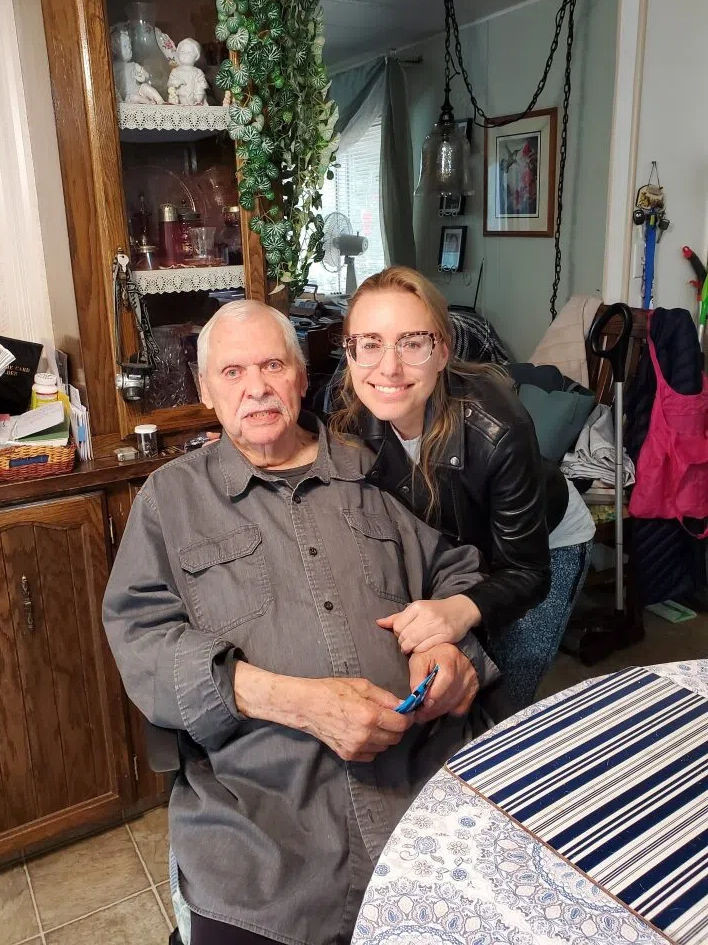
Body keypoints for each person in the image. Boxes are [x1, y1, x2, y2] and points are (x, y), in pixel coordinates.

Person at [103, 300, 498, 945]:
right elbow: (140, 640)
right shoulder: (170, 501)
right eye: (232, 372)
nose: (256, 387)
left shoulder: (376, 470)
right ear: (205, 390)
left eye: (272, 365)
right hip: (261, 821)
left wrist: (450, 653)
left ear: (301, 374)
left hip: (423, 787)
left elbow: (457, 573)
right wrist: (298, 702)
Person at [329, 267, 579, 678]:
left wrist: (459, 608)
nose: (389, 368)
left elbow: (527, 573)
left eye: (412, 343)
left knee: (508, 682)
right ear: (350, 351)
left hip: (542, 543)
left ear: (442, 352)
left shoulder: (500, 429)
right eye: (370, 344)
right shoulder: (349, 414)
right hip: (458, 549)